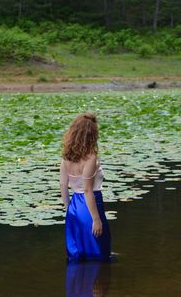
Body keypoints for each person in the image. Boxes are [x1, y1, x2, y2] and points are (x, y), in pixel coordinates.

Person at [60, 112, 111, 261]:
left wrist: (69, 210)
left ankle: (78, 283)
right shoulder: (90, 157)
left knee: (78, 254)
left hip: (74, 207)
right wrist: (96, 219)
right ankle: (96, 282)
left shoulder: (66, 156)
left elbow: (63, 184)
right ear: (91, 134)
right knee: (98, 251)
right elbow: (88, 189)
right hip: (90, 206)